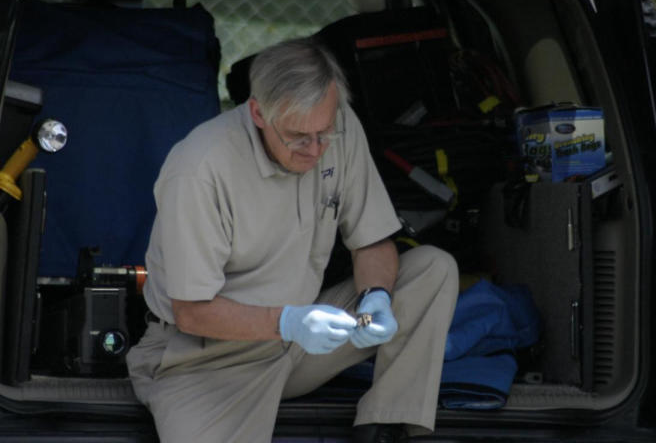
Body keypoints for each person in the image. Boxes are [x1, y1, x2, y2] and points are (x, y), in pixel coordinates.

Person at [126, 37, 459, 443]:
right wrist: (287, 322)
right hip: (205, 359)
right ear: (257, 112)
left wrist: (377, 297)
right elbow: (192, 312)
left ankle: (387, 426)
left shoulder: (339, 126)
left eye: (324, 133)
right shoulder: (199, 168)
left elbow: (371, 241)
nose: (316, 150)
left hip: (301, 347)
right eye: (299, 137)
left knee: (432, 270)